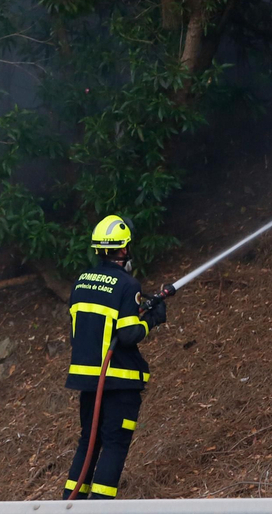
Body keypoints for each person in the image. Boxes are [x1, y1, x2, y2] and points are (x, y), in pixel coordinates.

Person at [64, 214, 167, 500]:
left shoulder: (81, 282)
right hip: (119, 381)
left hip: (88, 382)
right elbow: (129, 334)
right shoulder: (127, 285)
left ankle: (68, 506)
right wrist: (152, 319)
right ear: (123, 249)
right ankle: (100, 507)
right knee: (114, 445)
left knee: (88, 443)